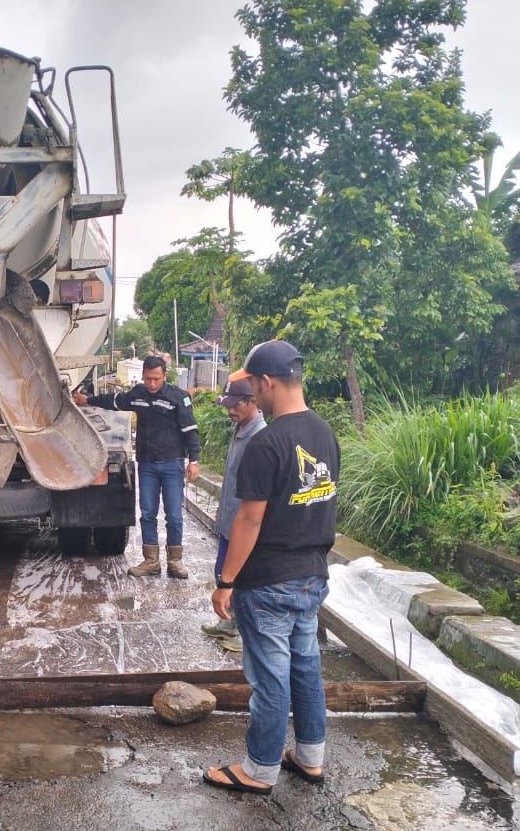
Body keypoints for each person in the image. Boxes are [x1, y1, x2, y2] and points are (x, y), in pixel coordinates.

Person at [202, 340, 339, 797]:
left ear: (266, 382)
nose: (253, 396)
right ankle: (310, 758)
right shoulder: (325, 433)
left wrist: (226, 582)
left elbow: (250, 520)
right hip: (312, 575)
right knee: (306, 669)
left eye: (254, 387)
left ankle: (259, 770)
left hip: (269, 582)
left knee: (271, 678)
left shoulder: (267, 442)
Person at [74, 355, 200, 578]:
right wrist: (88, 400)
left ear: (165, 376)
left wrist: (194, 461)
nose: (152, 383)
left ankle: (175, 562)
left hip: (172, 464)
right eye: (148, 378)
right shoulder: (138, 395)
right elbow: (114, 401)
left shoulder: (178, 397)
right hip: (147, 465)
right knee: (148, 513)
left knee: (174, 515)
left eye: (156, 379)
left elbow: (190, 430)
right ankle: (151, 561)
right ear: (143, 376)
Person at [201, 375, 266, 645]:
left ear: (252, 401)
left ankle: (242, 632)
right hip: (229, 519)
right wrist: (222, 509)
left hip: (244, 523)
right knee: (223, 571)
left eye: (235, 404)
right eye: (227, 404)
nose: (229, 410)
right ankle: (228, 623)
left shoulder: (259, 438)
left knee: (241, 577)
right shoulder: (240, 428)